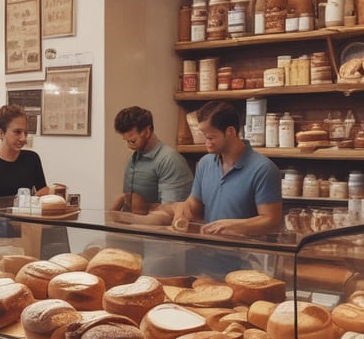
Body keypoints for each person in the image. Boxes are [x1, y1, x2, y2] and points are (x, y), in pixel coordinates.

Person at [173, 100, 282, 237]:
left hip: (246, 256)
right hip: (206, 252)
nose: (206, 143)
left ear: (230, 131)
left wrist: (232, 226)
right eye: (204, 137)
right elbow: (194, 203)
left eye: (211, 138)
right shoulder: (204, 163)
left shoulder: (264, 169)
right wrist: (182, 209)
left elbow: (271, 221)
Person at [110, 106, 193, 214]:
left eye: (133, 141)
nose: (129, 146)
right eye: (127, 141)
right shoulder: (133, 157)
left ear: (147, 131)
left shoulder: (170, 160)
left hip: (156, 229)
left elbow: (172, 211)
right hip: (133, 228)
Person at [0, 104, 50, 208]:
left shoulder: (32, 158)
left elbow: (43, 192)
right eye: (17, 132)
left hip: (26, 221)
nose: (23, 138)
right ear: (1, 133)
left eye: (26, 132)